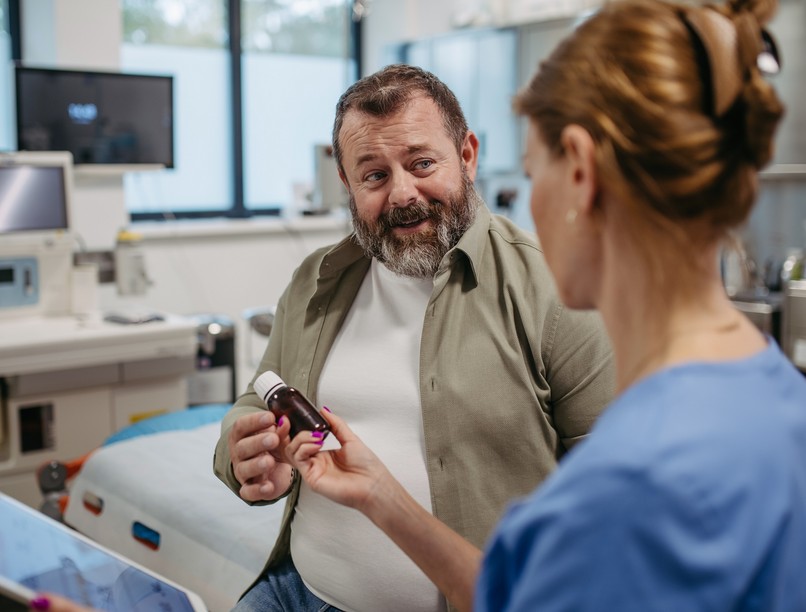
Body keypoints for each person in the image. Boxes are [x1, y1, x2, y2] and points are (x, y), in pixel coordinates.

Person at [281, 0, 806, 610]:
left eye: (534, 173)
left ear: (579, 174)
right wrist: (381, 495)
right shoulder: (775, 396)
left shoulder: (627, 483)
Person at [213, 64, 615, 611]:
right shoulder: (316, 281)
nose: (403, 194)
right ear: (348, 186)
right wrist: (246, 453)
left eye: (422, 163)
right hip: (296, 592)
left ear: (467, 155)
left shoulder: (556, 291)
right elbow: (257, 395)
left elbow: (616, 500)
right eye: (374, 175)